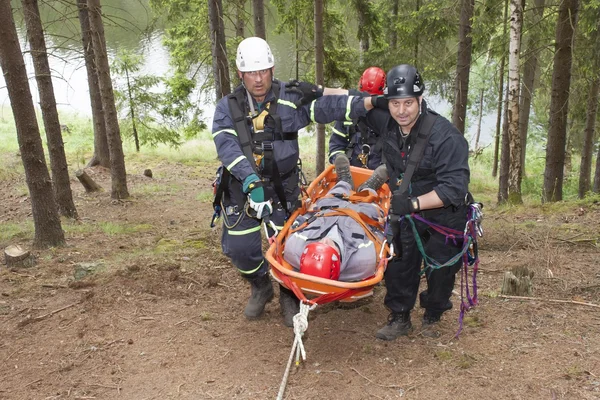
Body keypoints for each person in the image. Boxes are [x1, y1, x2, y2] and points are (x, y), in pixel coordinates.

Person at [211, 37, 373, 327]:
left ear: (272, 69)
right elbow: (227, 147)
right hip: (241, 186)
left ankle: (289, 293)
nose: (259, 79)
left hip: (282, 187)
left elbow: (329, 108)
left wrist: (371, 101)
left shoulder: (290, 98)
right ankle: (261, 284)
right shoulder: (228, 108)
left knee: (290, 246)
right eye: (252, 73)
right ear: (240, 74)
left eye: (264, 71)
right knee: (239, 249)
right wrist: (250, 181)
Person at [363, 64, 471, 340]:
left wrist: (411, 205)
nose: (401, 111)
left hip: (445, 213)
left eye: (408, 103)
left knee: (442, 267)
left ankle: (433, 313)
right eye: (395, 103)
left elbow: (454, 189)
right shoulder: (388, 124)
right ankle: (400, 316)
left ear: (420, 100)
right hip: (406, 207)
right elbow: (351, 104)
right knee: (398, 260)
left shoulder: (446, 137)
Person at [283, 155, 389, 282]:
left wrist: (309, 212)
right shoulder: (363, 261)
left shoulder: (294, 249)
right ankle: (370, 186)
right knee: (369, 204)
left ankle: (344, 181)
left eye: (319, 244)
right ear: (337, 258)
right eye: (328, 247)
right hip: (359, 219)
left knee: (331, 197)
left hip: (328, 211)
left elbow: (300, 223)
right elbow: (379, 240)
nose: (325, 240)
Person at [328, 67, 386, 170]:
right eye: (365, 98)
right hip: (351, 172)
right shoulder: (347, 115)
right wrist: (339, 159)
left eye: (373, 99)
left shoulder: (390, 117)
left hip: (381, 175)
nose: (368, 103)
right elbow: (336, 145)